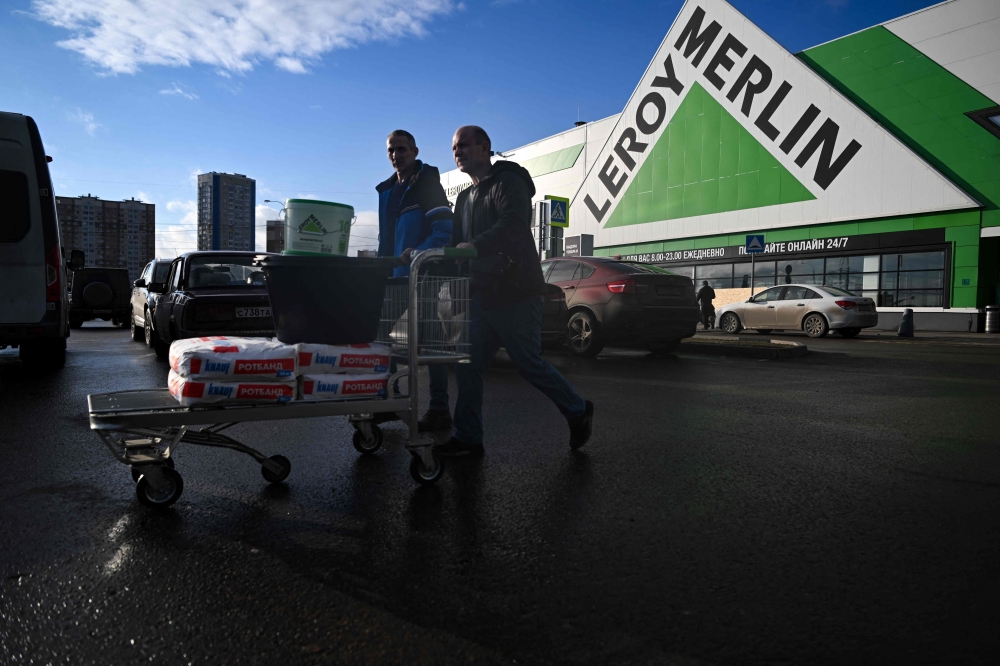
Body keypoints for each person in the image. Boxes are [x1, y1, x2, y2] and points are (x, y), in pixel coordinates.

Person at [435, 125, 594, 458]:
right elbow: (454, 245)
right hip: (482, 295)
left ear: (484, 148)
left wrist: (474, 246)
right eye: (454, 148)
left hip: (517, 291)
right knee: (467, 364)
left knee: (528, 363)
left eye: (464, 145)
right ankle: (468, 438)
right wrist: (431, 261)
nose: (457, 152)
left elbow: (513, 225)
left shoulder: (509, 183)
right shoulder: (464, 198)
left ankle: (578, 410)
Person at [377, 129, 455, 431]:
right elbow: (387, 239)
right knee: (381, 334)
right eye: (391, 150)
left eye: (402, 150)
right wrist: (381, 269)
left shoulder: (427, 183)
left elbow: (444, 229)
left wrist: (419, 254)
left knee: (431, 342)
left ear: (415, 151)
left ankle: (439, 408)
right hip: (396, 277)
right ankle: (388, 400)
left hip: (424, 275)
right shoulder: (387, 190)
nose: (396, 155)